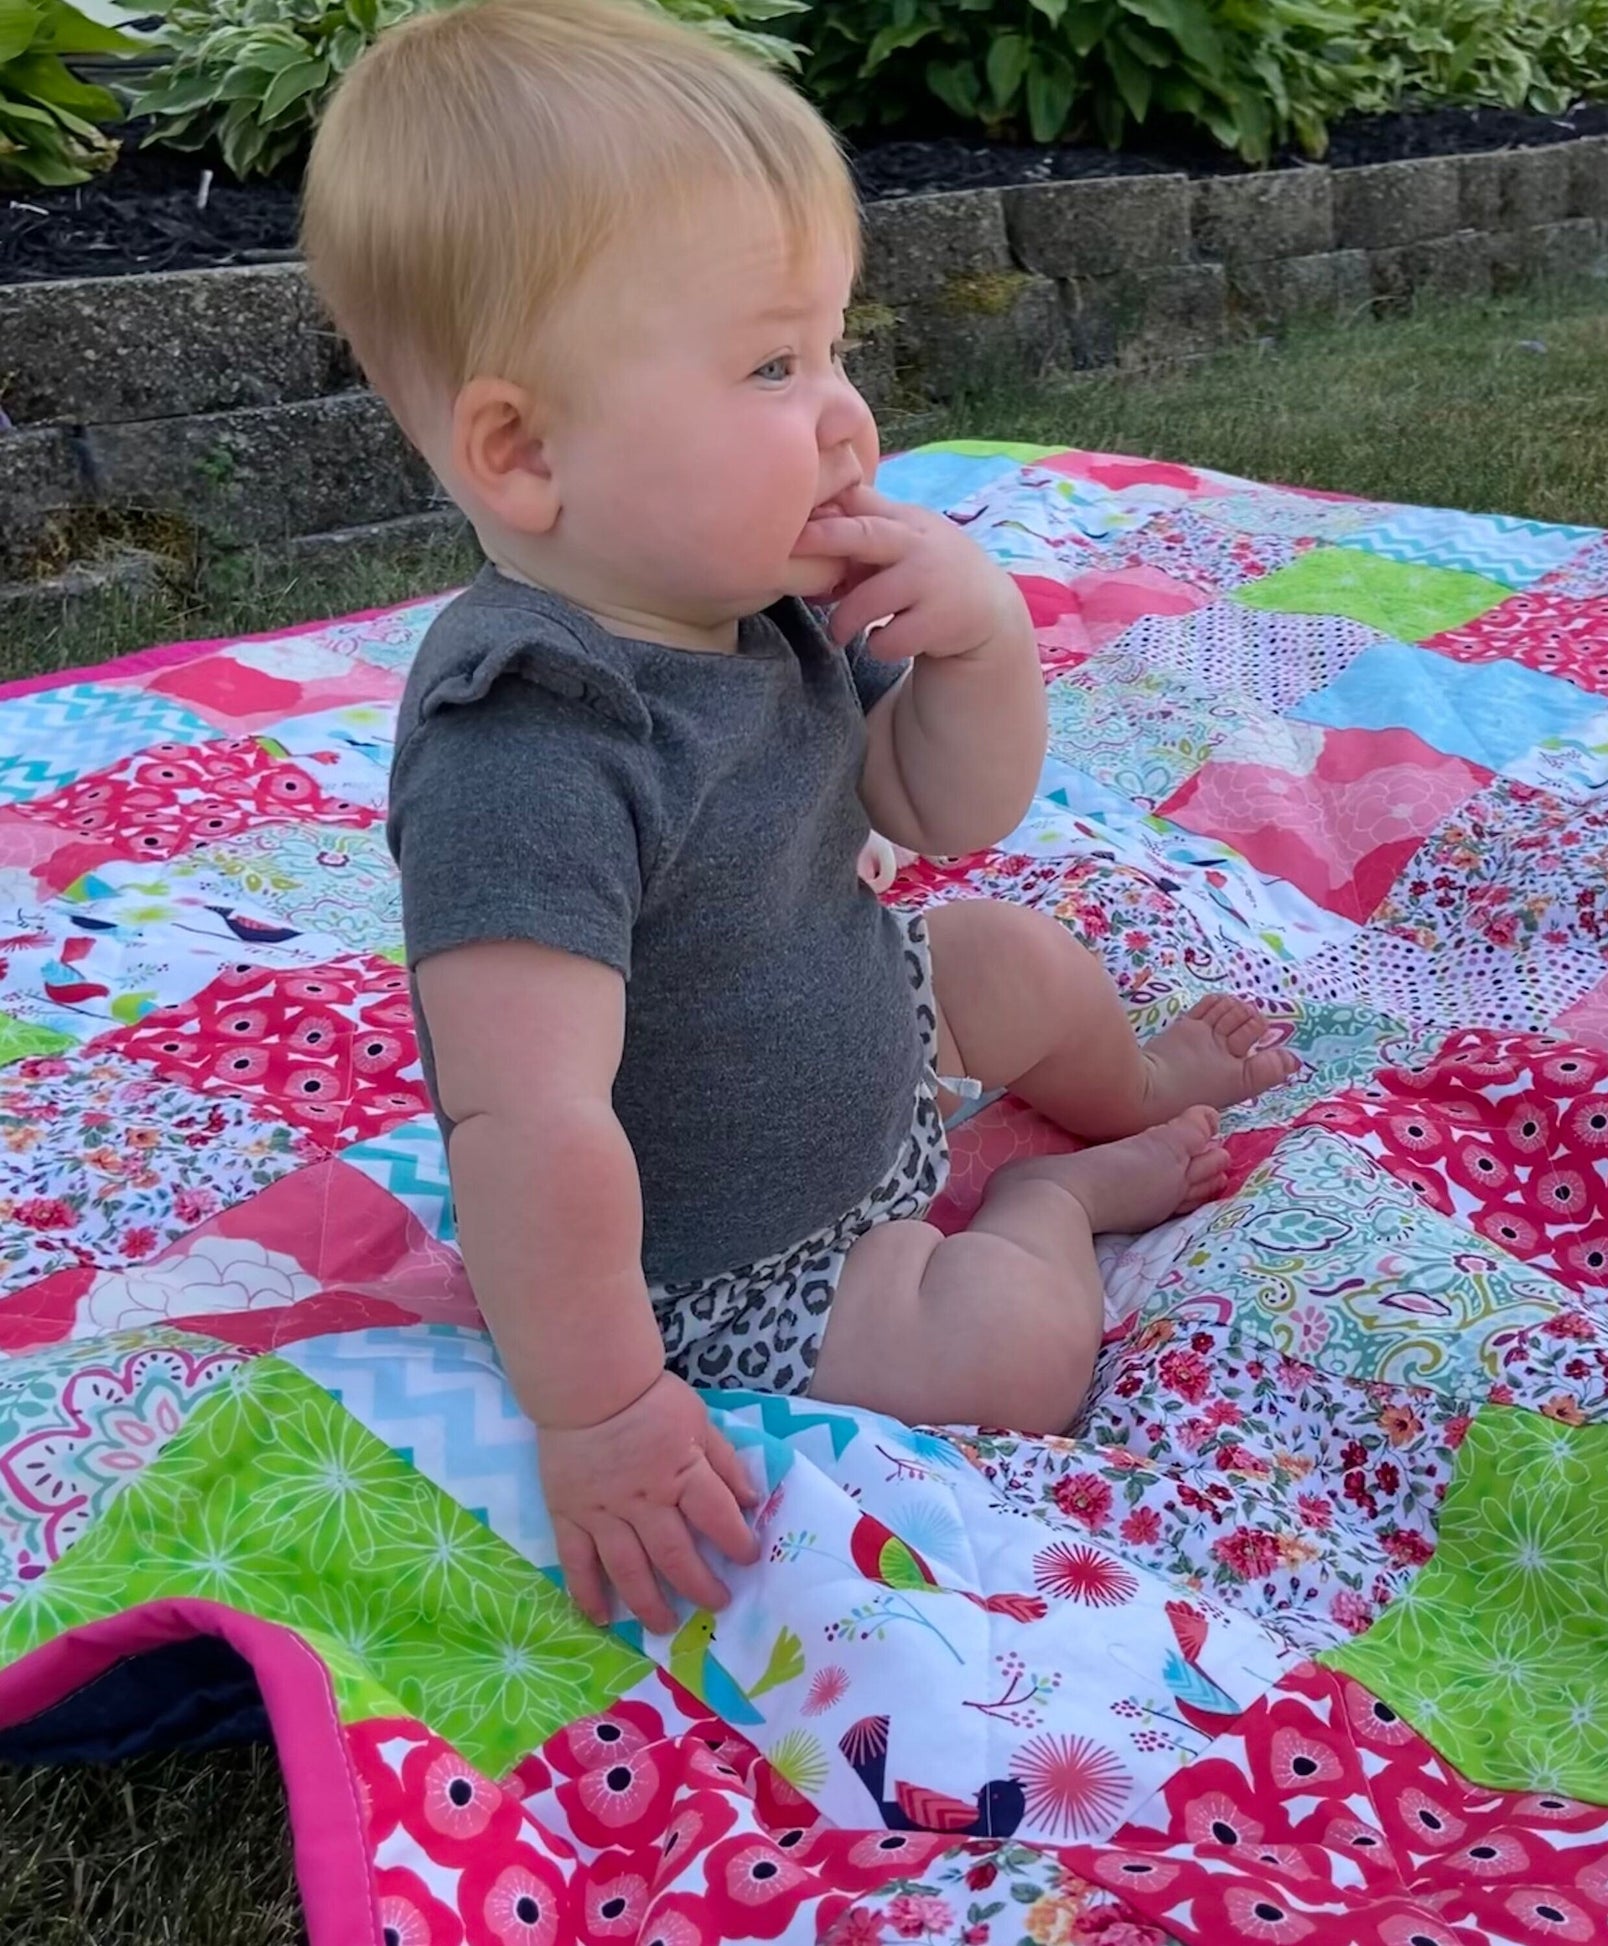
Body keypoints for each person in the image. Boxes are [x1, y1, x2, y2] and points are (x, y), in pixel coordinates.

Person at [301, 0, 1295, 1635]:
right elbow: (524, 1123)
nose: (843, 414)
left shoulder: (752, 600)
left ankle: (1120, 1085)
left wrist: (984, 632)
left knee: (1009, 950)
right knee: (1012, 1363)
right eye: (773, 364)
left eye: (831, 347)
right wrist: (604, 1408)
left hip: (864, 1023)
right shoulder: (532, 739)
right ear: (522, 449)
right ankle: (1049, 1198)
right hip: (739, 1251)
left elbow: (941, 805)